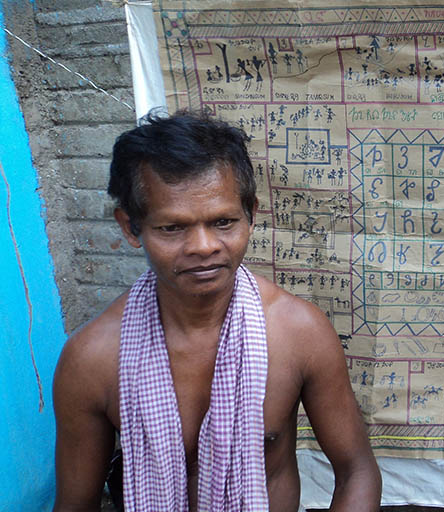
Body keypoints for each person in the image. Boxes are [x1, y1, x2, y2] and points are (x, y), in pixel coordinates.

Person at [52, 111, 381, 511]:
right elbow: (75, 504)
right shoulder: (92, 359)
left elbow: (357, 472)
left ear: (252, 216)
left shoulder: (299, 334)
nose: (204, 246)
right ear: (130, 227)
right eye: (172, 228)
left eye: (224, 222)